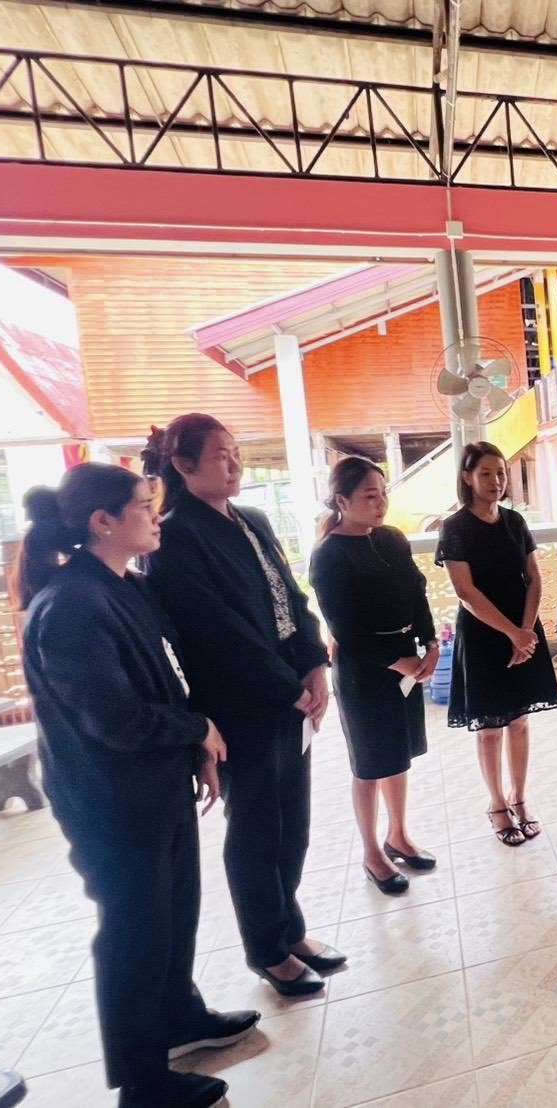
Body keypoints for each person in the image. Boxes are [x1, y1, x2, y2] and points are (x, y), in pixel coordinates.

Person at [19, 463, 258, 1108]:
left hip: (155, 783)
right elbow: (114, 718)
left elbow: (166, 678)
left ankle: (180, 1017)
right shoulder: (71, 606)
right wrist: (196, 729)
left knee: (174, 911)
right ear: (103, 522)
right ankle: (142, 1080)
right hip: (111, 801)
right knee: (133, 930)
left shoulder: (123, 586)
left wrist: (196, 742)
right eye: (144, 507)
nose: (157, 517)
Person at [143, 414, 343, 998]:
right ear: (184, 465)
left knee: (293, 823)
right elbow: (217, 632)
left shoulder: (252, 519)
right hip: (241, 704)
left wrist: (314, 664)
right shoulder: (176, 537)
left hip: (290, 692)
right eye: (220, 455)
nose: (235, 464)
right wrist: (288, 687)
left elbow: (292, 598)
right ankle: (267, 948)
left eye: (236, 452)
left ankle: (290, 929)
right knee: (257, 828)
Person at [310, 457, 439, 895]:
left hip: (404, 660)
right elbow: (345, 629)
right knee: (368, 765)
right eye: (370, 495)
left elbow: (417, 593)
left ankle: (398, 835)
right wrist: (400, 662)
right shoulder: (328, 555)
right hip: (364, 672)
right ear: (342, 501)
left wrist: (430, 643)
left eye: (383, 494)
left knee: (397, 756)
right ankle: (371, 852)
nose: (380, 503)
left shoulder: (392, 539)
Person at [436, 442, 557, 846]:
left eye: (501, 473)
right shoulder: (455, 527)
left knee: (520, 721)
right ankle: (497, 805)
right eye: (486, 473)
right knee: (490, 727)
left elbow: (534, 577)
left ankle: (520, 798)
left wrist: (525, 630)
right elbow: (465, 592)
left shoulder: (514, 521)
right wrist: (512, 633)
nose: (496, 481)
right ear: (467, 477)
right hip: (483, 633)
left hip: (523, 629)